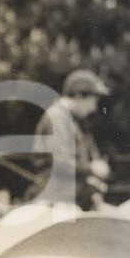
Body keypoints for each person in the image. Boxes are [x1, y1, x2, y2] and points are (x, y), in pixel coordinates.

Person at [31, 68, 112, 211]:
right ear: (80, 96)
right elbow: (61, 162)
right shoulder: (57, 118)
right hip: (56, 200)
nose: (93, 108)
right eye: (93, 101)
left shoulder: (73, 121)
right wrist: (92, 169)